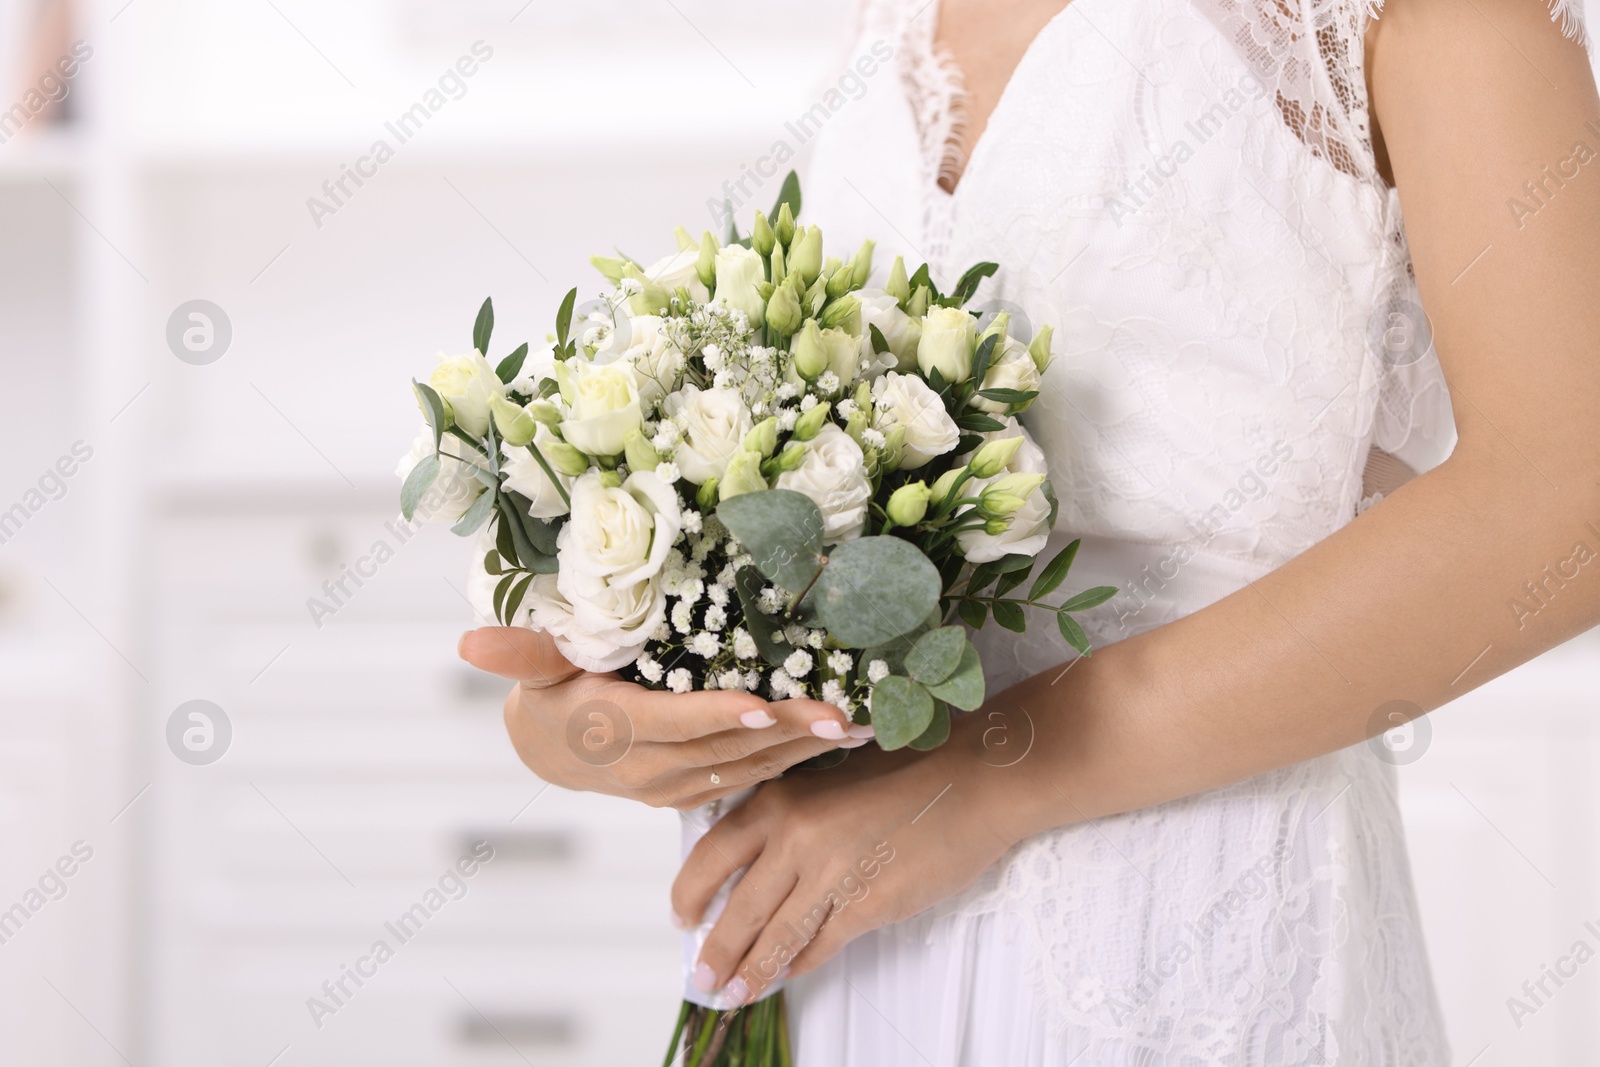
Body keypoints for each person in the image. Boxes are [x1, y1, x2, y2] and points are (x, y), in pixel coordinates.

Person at [461, 0, 1600, 1061]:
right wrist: (622, 695)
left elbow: (1569, 498)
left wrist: (994, 774)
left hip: (1195, 942)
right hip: (847, 940)